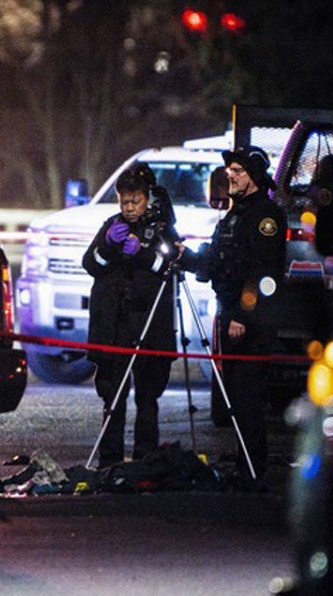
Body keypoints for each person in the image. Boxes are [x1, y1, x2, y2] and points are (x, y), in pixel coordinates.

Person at [179, 146, 286, 487]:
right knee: (236, 399)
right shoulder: (234, 214)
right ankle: (244, 465)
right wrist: (186, 258)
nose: (231, 177)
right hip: (229, 315)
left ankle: (253, 471)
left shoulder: (265, 216)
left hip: (250, 323)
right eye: (229, 172)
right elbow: (217, 261)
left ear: (254, 176)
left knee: (248, 398)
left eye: (238, 171)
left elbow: (264, 274)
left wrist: (243, 315)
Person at [81, 162, 179, 469]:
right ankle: (110, 461)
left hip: (148, 324)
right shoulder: (111, 225)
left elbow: (170, 266)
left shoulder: (162, 229)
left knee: (147, 396)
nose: (129, 207)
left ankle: (145, 459)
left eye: (135, 201)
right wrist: (108, 245)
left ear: (147, 198)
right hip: (115, 325)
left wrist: (143, 253)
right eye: (124, 201)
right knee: (113, 395)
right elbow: (90, 264)